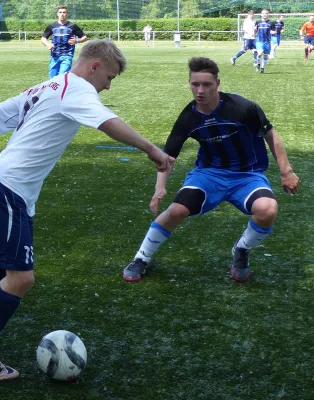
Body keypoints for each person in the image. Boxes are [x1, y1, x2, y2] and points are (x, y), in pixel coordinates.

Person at [0, 39, 174, 381]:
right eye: (110, 77)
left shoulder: (48, 86)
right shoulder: (78, 89)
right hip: (8, 189)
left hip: (0, 184)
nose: (108, 85)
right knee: (20, 278)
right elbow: (108, 122)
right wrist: (152, 149)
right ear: (94, 66)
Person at [122, 57, 299, 285]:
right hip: (209, 175)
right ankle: (141, 258)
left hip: (247, 176)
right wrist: (160, 187)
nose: (200, 90)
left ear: (218, 83)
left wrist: (287, 171)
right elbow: (168, 157)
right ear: (189, 84)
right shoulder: (188, 117)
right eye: (195, 84)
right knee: (176, 211)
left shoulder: (243, 108)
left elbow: (270, 135)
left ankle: (242, 250)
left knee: (268, 209)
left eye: (206, 84)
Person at [41, 5, 88, 78]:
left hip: (67, 55)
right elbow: (43, 38)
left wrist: (77, 40)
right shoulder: (52, 26)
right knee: (52, 79)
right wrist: (48, 44)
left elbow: (84, 37)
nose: (62, 14)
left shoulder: (72, 26)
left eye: (64, 12)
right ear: (57, 13)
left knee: (62, 77)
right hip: (54, 56)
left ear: (67, 14)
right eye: (60, 12)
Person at [254, 9, 276, 74]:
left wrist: (273, 32)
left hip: (267, 41)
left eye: (266, 13)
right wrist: (254, 30)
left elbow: (274, 31)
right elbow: (255, 30)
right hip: (259, 40)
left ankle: (262, 68)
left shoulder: (271, 23)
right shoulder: (258, 22)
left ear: (268, 14)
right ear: (261, 14)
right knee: (260, 53)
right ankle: (258, 63)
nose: (264, 14)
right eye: (263, 13)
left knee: (266, 56)